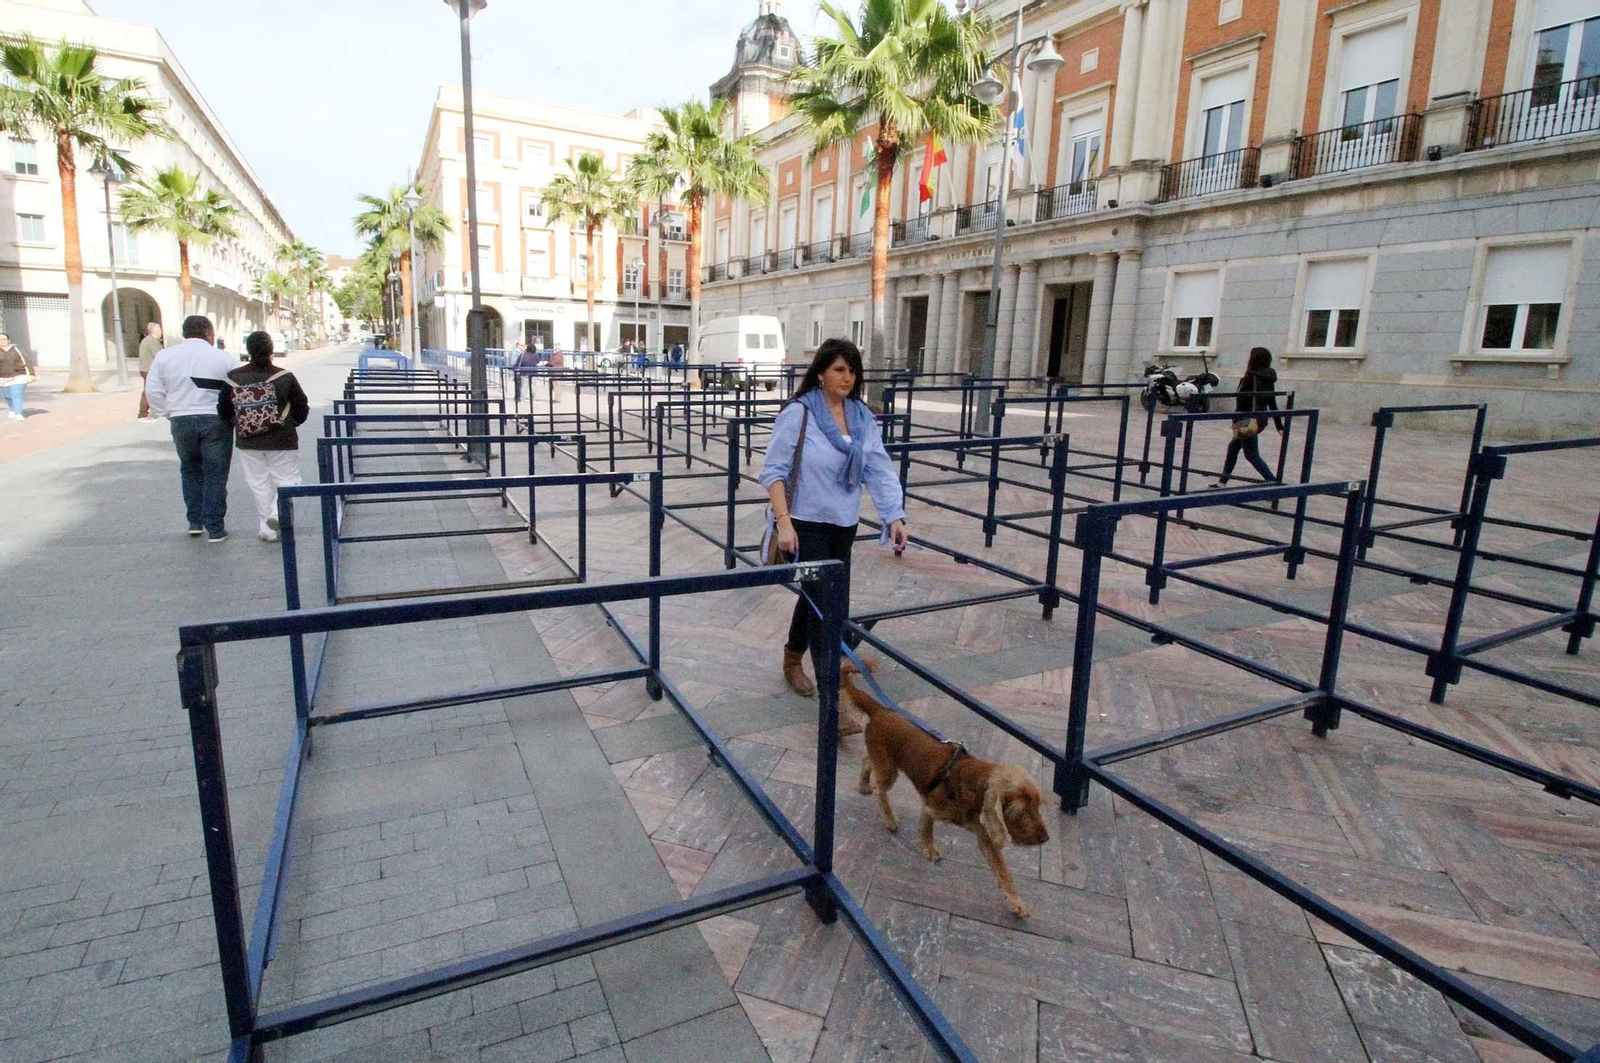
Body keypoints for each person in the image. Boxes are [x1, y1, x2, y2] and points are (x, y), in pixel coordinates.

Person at [759, 337, 908, 702]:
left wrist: (894, 516)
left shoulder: (861, 417)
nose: (847, 377)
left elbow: (878, 467)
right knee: (825, 605)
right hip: (804, 523)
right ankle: (835, 701)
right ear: (821, 373)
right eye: (839, 369)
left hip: (843, 525)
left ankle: (792, 658)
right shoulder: (800, 413)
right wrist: (784, 523)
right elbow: (774, 471)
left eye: (853, 371)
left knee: (819, 597)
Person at [144, 315, 237, 542]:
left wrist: (167, 412)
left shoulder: (164, 357)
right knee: (215, 474)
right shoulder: (223, 358)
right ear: (208, 333)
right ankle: (215, 528)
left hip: (181, 419)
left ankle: (194, 521)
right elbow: (238, 389)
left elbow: (153, 390)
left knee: (190, 470)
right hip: (215, 419)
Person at [219, 331, 308, 543]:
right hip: (282, 438)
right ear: (271, 350)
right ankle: (277, 514)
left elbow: (223, 410)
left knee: (258, 483)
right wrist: (290, 423)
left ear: (248, 350)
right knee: (289, 479)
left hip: (248, 440)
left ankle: (267, 527)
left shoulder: (233, 378)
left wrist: (239, 423)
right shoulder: (284, 376)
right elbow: (301, 406)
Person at [1209, 346, 1285, 488]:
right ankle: (1222, 482)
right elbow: (1272, 402)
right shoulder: (1268, 378)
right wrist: (1279, 426)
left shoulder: (1250, 376)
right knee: (1233, 447)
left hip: (1246, 420)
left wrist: (1235, 420)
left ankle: (1273, 484)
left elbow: (1242, 401)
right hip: (1259, 419)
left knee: (1251, 455)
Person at [0, 332, 35, 421]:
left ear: (8, 340)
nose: (2, 341)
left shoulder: (17, 350)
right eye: (0, 340)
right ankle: (12, 409)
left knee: (17, 394)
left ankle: (18, 413)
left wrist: (31, 373)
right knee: (7, 396)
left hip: (18, 375)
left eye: (4, 339)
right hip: (3, 377)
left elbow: (27, 361)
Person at [137, 322, 164, 421]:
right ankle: (143, 412)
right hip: (149, 370)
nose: (161, 332)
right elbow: (160, 356)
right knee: (150, 391)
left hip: (146, 369)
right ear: (155, 331)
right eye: (160, 329)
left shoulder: (147, 341)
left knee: (148, 390)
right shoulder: (152, 342)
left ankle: (144, 412)